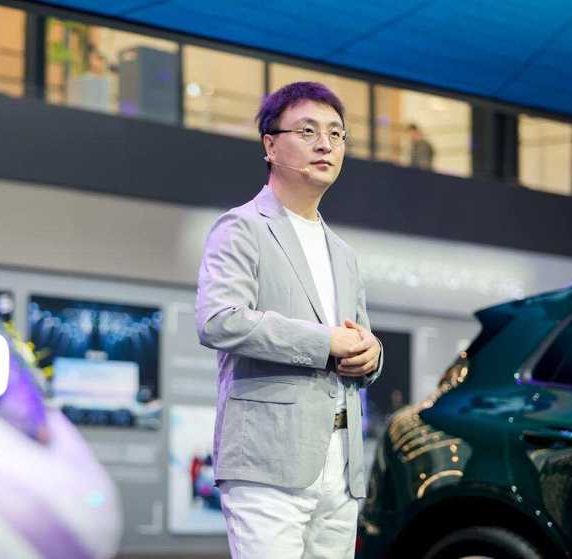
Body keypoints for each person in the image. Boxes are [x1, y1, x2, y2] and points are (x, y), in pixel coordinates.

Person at [195, 81, 383, 558]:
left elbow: (356, 337)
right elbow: (219, 319)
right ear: (271, 145)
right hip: (267, 460)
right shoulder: (242, 227)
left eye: (336, 134)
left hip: (340, 465)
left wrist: (372, 354)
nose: (325, 144)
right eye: (308, 131)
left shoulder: (343, 252)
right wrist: (325, 343)